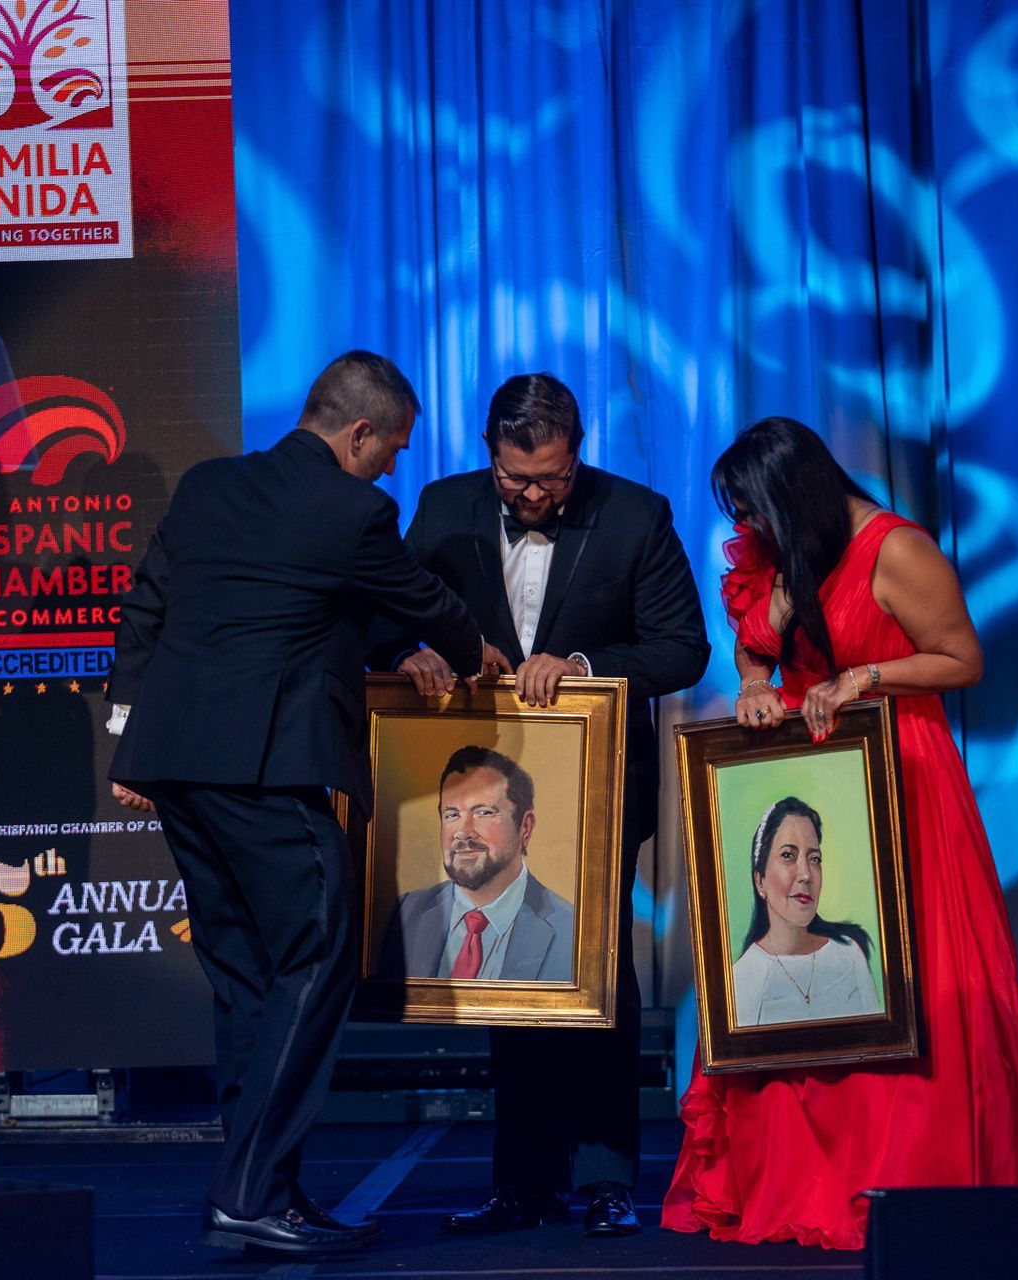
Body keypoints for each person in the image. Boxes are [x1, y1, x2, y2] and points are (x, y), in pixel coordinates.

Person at [106, 351, 483, 1259]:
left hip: (177, 764)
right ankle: (246, 1192)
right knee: (317, 954)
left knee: (249, 980)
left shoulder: (209, 486)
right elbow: (423, 600)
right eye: (391, 449)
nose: (392, 467)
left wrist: (128, 726)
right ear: (359, 433)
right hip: (266, 769)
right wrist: (474, 649)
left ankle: (265, 1189)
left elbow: (149, 602)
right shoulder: (353, 511)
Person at [662, 417, 1018, 1250]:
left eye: (755, 511)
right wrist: (755, 685)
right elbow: (757, 645)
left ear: (797, 494)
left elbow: (962, 658)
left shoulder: (896, 549)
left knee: (905, 978)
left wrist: (864, 676)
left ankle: (907, 1179)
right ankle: (802, 1178)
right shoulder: (780, 553)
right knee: (797, 984)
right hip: (811, 776)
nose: (747, 528)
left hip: (900, 773)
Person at [381, 372, 711, 1238]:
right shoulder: (444, 508)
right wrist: (414, 649)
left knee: (600, 977)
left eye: (553, 479)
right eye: (516, 478)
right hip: (488, 782)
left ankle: (606, 1181)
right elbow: (383, 613)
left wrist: (584, 667)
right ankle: (524, 1186)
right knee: (510, 978)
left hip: (598, 786)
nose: (533, 496)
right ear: (488, 453)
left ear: (579, 454)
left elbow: (683, 648)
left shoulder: (636, 515)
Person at [379, 746, 575, 982]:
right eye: (452, 815)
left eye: (483, 812)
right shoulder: (404, 914)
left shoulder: (572, 933)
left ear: (525, 827)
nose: (462, 832)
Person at [730, 796, 879, 1027]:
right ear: (760, 880)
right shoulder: (741, 980)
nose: (806, 874)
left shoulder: (849, 956)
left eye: (814, 859)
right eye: (788, 855)